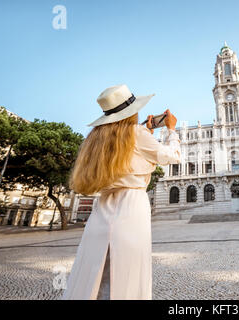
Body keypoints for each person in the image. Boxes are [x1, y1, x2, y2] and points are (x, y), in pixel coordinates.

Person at [62, 84, 181, 300]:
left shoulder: (97, 139)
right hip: (131, 207)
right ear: (131, 112)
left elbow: (129, 153)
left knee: (94, 275)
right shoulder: (137, 133)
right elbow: (171, 156)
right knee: (127, 273)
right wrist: (171, 130)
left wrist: (146, 132)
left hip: (101, 211)